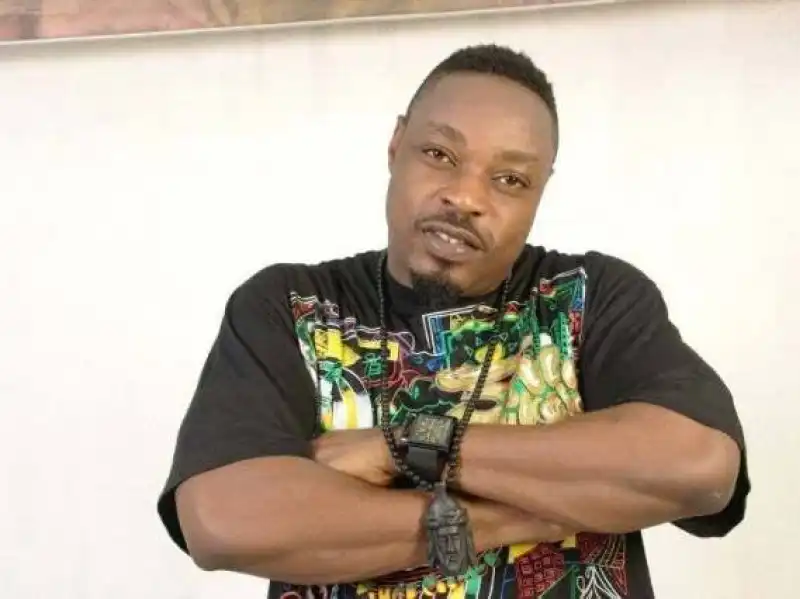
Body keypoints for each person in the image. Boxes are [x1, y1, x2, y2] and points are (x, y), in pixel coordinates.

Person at [157, 44, 750, 599]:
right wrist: (534, 511)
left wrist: (410, 446)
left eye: (510, 179)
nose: (465, 197)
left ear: (541, 191)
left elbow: (698, 466)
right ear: (396, 146)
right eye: (439, 155)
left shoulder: (591, 297)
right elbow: (224, 519)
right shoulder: (289, 306)